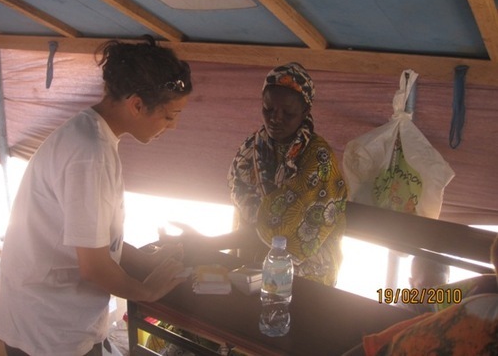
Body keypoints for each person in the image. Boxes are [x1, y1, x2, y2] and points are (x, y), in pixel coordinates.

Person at [0, 36, 193, 356]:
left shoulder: (89, 132)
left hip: (45, 319)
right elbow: (94, 267)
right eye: (169, 116)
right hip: (49, 333)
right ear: (137, 104)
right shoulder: (90, 154)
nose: (172, 126)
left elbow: (92, 239)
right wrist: (147, 291)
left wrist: (145, 262)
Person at [163, 62, 347, 286]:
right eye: (268, 109)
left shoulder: (318, 160)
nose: (275, 119)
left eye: (288, 113)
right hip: (252, 266)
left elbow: (281, 238)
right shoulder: (253, 148)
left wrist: (208, 243)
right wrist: (204, 243)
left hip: (306, 277)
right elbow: (249, 216)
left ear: (306, 111)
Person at [343, 233, 498, 356]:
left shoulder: (457, 302)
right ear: (411, 283)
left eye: (440, 287)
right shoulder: (402, 305)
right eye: (426, 287)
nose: (432, 293)